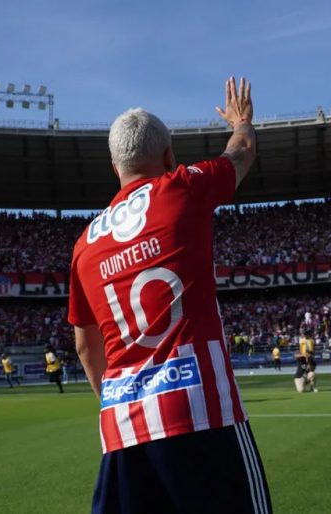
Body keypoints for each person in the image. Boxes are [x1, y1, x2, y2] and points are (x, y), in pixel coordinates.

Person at [68, 77, 271, 513]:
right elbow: (241, 153)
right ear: (168, 155)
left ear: (114, 167)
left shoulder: (85, 244)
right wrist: (242, 121)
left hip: (122, 428)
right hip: (200, 411)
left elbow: (86, 347)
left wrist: (119, 402)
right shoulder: (180, 188)